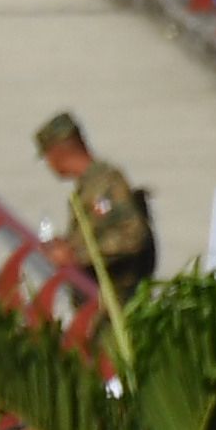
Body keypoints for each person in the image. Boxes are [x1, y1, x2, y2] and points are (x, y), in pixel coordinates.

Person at [32, 112, 154, 295]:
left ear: (57, 152)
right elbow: (99, 234)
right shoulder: (89, 186)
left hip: (118, 300)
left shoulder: (105, 183)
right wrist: (68, 245)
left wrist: (75, 256)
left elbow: (133, 235)